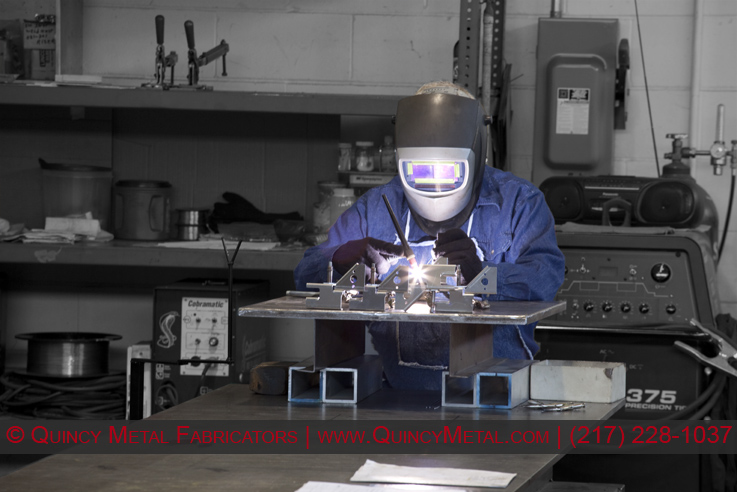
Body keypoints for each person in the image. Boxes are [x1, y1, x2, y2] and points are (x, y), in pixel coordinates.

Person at [294, 81, 565, 390]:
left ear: (475, 151)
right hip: (401, 399)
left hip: (498, 397)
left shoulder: (519, 203)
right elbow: (304, 275)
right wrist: (340, 261)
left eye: (448, 171)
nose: (435, 185)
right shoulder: (376, 208)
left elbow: (546, 280)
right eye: (421, 171)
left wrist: (482, 277)